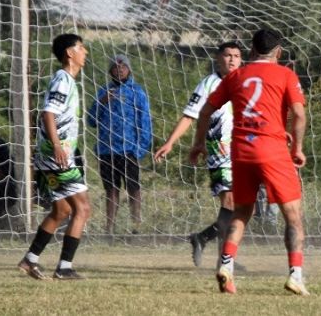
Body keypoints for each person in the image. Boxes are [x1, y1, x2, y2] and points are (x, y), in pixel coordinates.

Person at [188, 29, 308, 295]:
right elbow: (299, 114)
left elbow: (206, 111)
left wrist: (198, 143)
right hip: (273, 150)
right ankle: (296, 275)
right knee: (293, 216)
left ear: (252, 50)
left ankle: (226, 266)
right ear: (278, 52)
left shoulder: (236, 76)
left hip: (241, 150)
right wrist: (297, 148)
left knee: (241, 212)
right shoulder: (286, 74)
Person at [154, 41, 242, 267]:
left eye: (236, 55)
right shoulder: (209, 84)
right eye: (227, 55)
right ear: (217, 59)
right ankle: (223, 257)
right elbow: (189, 116)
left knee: (238, 207)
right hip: (218, 149)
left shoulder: (244, 82)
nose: (232, 59)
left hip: (242, 149)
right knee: (230, 202)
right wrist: (170, 143)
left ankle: (206, 241)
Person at [18, 33, 91, 280]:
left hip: (52, 155)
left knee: (61, 210)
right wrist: (58, 146)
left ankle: (30, 260)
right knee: (83, 208)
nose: (85, 52)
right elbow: (47, 114)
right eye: (81, 48)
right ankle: (65, 267)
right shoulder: (63, 80)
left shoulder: (68, 81)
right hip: (56, 156)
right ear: (70, 53)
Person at [87, 54, 152, 234]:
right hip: (107, 150)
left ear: (129, 69)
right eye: (116, 67)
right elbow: (91, 121)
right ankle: (109, 228)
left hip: (129, 149)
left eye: (123, 67)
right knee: (111, 190)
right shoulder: (103, 92)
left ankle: (136, 227)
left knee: (133, 188)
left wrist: (140, 149)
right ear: (110, 71)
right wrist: (102, 102)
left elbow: (145, 122)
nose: (120, 69)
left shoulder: (137, 92)